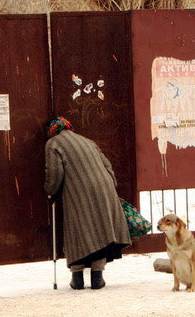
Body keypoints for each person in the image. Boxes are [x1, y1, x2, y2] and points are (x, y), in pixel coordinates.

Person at [44, 116, 131, 290]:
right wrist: (110, 188)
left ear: (53, 130)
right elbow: (107, 166)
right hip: (104, 186)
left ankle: (77, 278)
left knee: (77, 229)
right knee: (99, 228)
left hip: (79, 190)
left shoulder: (53, 144)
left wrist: (50, 191)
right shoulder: (87, 141)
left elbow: (54, 173)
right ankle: (97, 277)